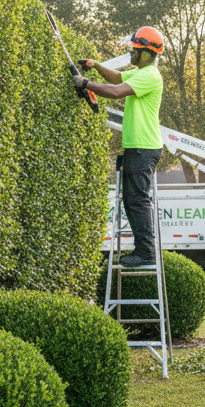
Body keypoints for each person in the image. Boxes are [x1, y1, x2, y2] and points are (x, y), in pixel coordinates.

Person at [75, 27, 165, 267]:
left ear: (147, 53)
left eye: (135, 49)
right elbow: (116, 78)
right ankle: (142, 250)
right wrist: (96, 66)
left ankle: (146, 253)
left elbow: (116, 92)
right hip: (138, 147)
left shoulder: (149, 75)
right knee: (132, 200)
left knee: (137, 200)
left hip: (143, 148)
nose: (131, 53)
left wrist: (86, 83)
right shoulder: (142, 73)